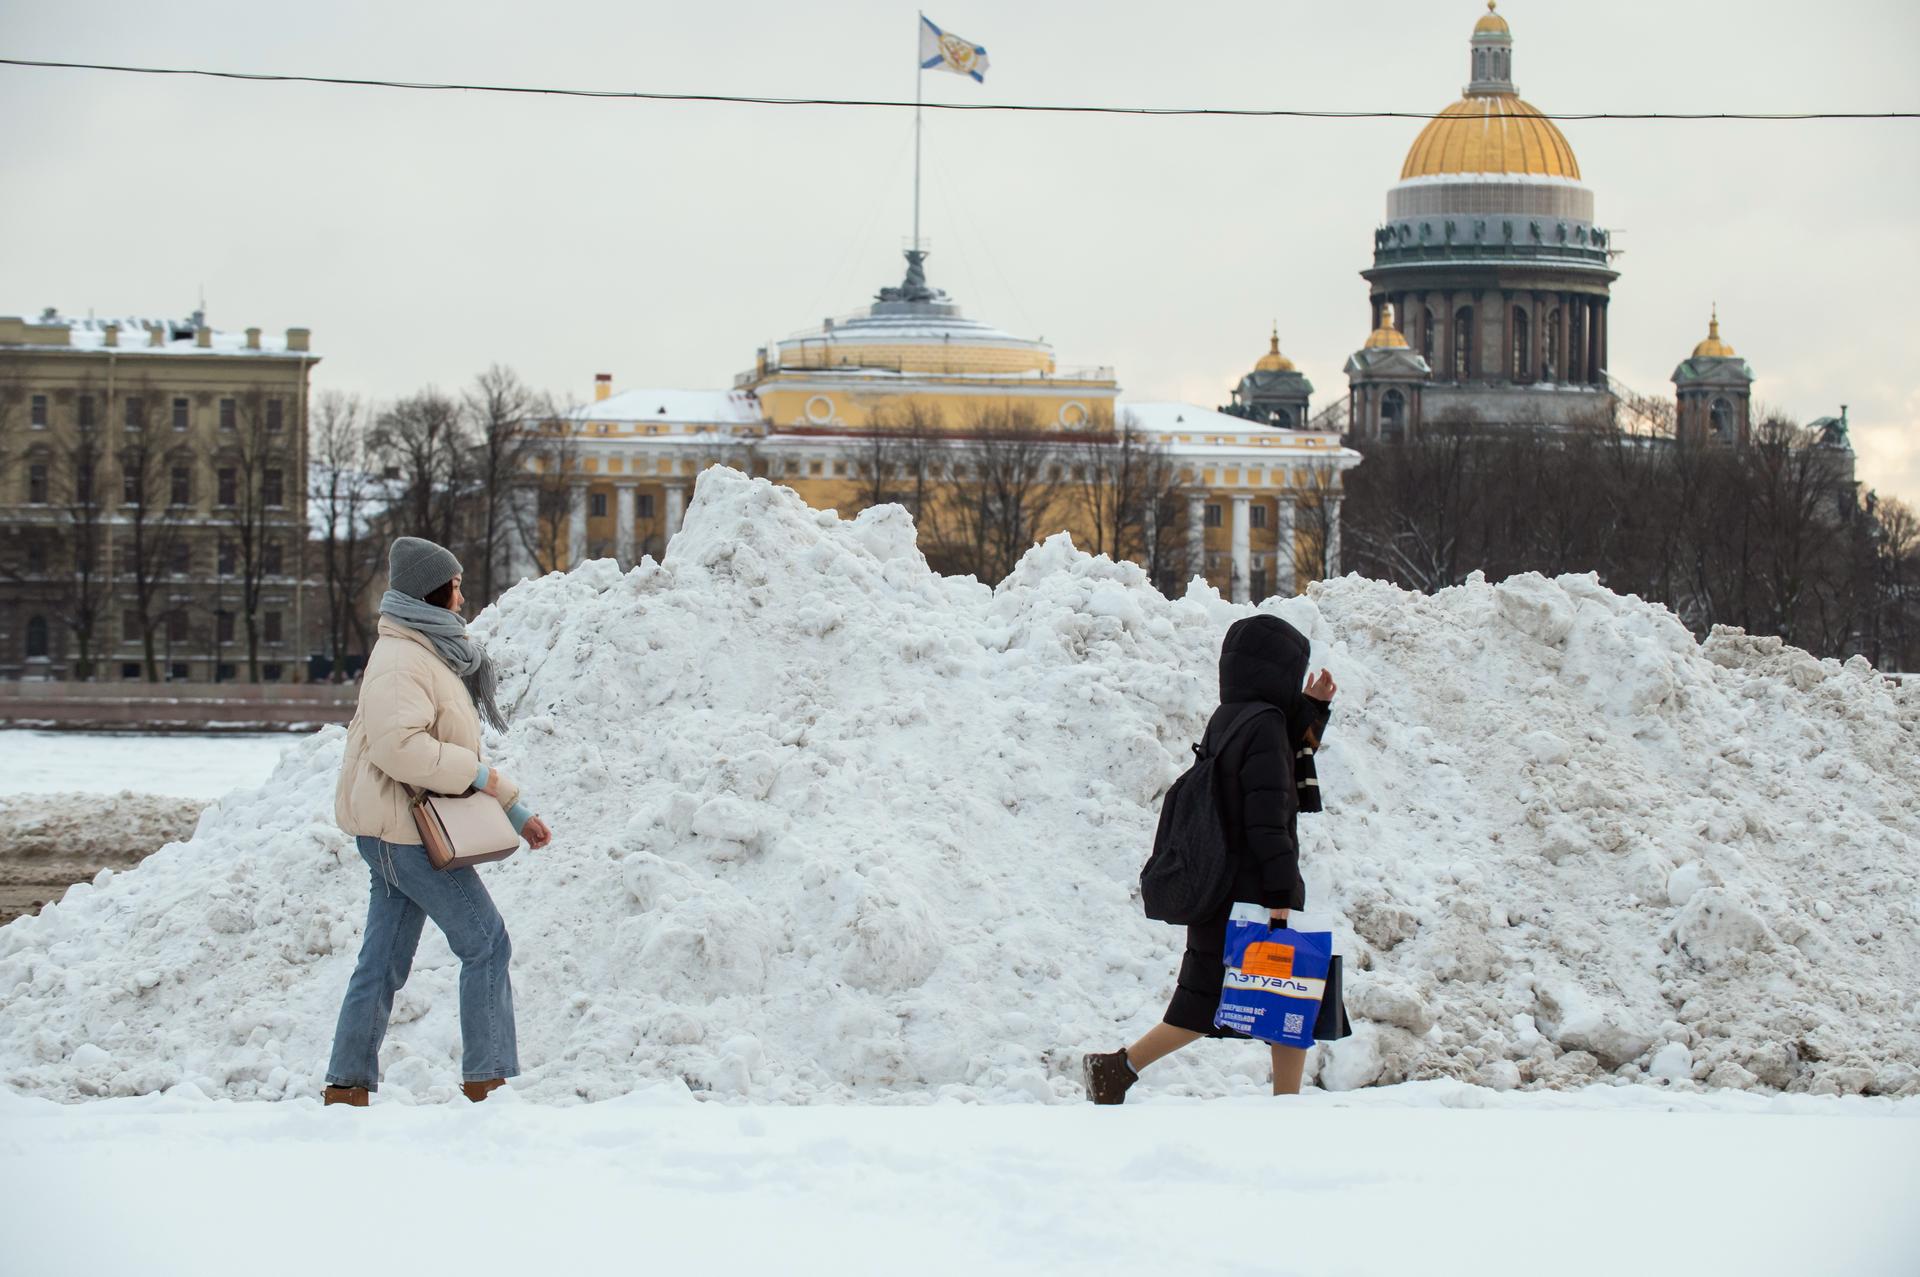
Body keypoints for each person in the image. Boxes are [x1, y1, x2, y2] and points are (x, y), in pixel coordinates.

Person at [323, 536, 553, 1107]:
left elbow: (446, 748)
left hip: (397, 827)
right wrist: (488, 782)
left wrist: (513, 811)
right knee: (486, 944)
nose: (462, 593)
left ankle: (346, 1087)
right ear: (431, 589)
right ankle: (489, 1081)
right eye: (454, 583)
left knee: (382, 963)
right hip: (404, 834)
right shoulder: (401, 659)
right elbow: (401, 748)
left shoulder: (426, 651)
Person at [1084, 614, 1340, 1104]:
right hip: (1253, 892)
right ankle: (1285, 1105)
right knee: (1288, 996)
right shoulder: (1263, 725)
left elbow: (1285, 748)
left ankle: (1118, 1070)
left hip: (1221, 887)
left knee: (1214, 1001)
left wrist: (1314, 708)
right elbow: (1267, 818)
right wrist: (1282, 894)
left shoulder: (1234, 716)